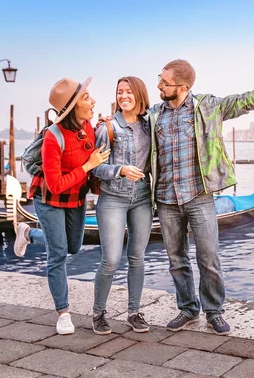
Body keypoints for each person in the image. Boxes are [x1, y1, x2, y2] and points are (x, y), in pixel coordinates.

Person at [148, 59, 254, 335]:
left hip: (200, 196)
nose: (159, 85)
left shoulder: (208, 106)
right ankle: (187, 308)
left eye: (164, 82)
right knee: (176, 259)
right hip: (166, 198)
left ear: (182, 87)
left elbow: (247, 101)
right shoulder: (154, 114)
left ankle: (214, 311)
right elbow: (127, 128)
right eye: (159, 79)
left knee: (208, 257)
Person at [13, 77, 110, 335]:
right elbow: (55, 185)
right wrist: (88, 166)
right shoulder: (53, 138)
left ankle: (28, 234)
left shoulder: (88, 126)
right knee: (58, 255)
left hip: (75, 198)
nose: (93, 101)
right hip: (49, 199)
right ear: (71, 107)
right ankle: (63, 312)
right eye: (87, 98)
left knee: (73, 247)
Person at [91, 76, 153, 335]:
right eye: (120, 92)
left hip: (142, 198)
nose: (124, 96)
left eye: (129, 91)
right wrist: (120, 170)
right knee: (111, 259)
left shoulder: (149, 126)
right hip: (113, 199)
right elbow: (95, 167)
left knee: (137, 257)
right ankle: (98, 313)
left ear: (139, 95)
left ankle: (134, 312)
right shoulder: (107, 128)